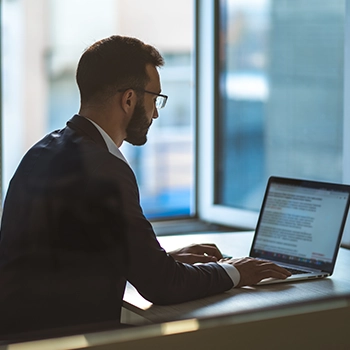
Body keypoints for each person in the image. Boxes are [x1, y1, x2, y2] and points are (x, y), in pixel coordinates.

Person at [0, 35, 290, 337]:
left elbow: (69, 258)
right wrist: (237, 271)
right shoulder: (104, 168)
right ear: (129, 99)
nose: (155, 113)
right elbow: (162, 286)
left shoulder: (43, 151)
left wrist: (161, 259)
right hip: (64, 340)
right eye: (155, 99)